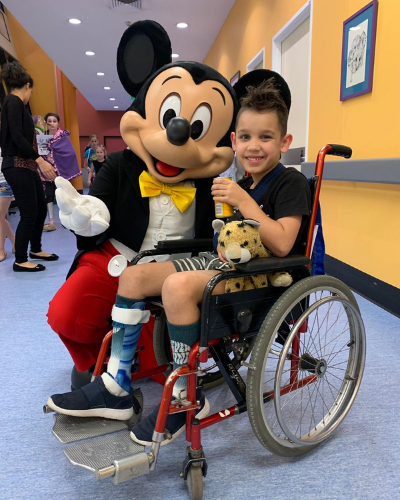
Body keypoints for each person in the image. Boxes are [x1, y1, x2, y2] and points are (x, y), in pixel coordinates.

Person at [48, 79, 311, 447]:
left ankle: (187, 395)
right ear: (233, 141)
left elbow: (284, 242)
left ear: (284, 143)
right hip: (223, 264)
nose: (254, 146)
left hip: (263, 277)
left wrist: (243, 202)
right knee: (134, 277)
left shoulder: (289, 183)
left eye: (266, 137)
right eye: (246, 136)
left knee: (175, 286)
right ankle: (116, 386)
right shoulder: (240, 182)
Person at [0, 61, 58, 272]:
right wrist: (40, 160)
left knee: (40, 208)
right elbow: (15, 135)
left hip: (27, 165)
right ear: (27, 86)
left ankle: (36, 249)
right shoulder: (13, 101)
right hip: (16, 165)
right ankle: (21, 259)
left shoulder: (17, 105)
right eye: (31, 91)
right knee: (29, 212)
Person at [42, 112, 81, 231]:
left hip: (61, 170)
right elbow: (40, 154)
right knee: (48, 195)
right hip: (47, 170)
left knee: (63, 195)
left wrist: (56, 157)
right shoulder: (42, 137)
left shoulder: (62, 136)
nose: (52, 124)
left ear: (58, 123)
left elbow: (69, 153)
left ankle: (67, 219)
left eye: (54, 121)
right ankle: (51, 221)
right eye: (49, 121)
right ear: (46, 123)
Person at [0, 149, 15, 261]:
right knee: (0, 217)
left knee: (0, 216)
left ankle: (1, 249)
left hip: (4, 182)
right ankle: (15, 241)